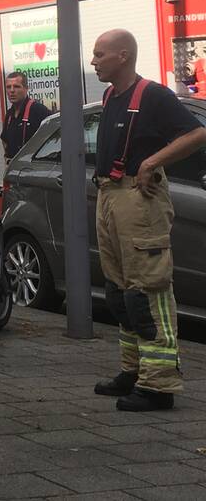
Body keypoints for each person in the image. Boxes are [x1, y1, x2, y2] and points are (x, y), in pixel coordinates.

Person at [90, 28, 206, 411]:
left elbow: (197, 133)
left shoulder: (153, 95)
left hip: (138, 202)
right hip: (110, 197)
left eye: (100, 55)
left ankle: (159, 386)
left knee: (147, 291)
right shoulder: (111, 96)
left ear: (123, 56)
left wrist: (154, 161)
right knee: (121, 291)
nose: (94, 62)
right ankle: (134, 370)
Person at [0, 71, 51, 161]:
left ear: (26, 88)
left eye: (16, 86)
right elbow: (4, 140)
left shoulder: (39, 111)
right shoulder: (9, 115)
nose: (12, 91)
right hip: (15, 169)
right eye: (8, 87)